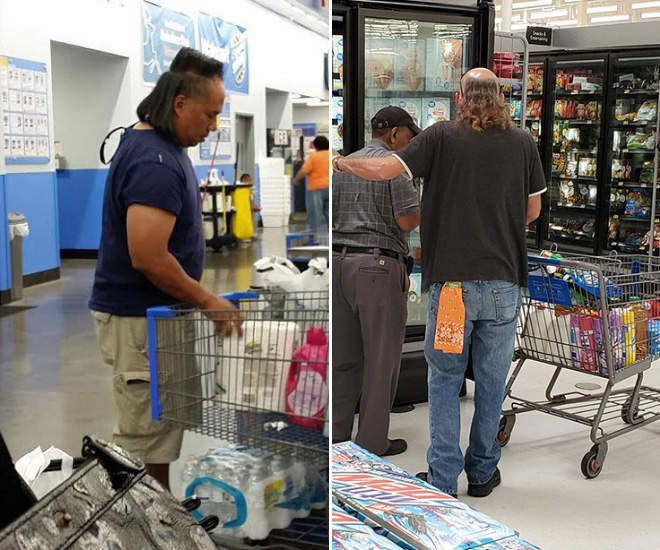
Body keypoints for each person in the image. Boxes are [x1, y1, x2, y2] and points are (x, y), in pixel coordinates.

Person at [332, 68, 546, 497]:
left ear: (458, 97)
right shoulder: (524, 142)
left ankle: (444, 480)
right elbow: (532, 212)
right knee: (490, 381)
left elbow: (383, 170)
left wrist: (339, 161)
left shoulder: (441, 136)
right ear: (502, 98)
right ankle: (483, 473)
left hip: (452, 289)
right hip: (504, 285)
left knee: (445, 380)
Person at [89, 48, 242, 490]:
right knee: (144, 441)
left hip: (154, 317)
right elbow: (149, 256)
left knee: (159, 429)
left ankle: (159, 518)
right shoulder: (152, 161)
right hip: (139, 321)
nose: (213, 126)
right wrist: (209, 300)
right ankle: (147, 526)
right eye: (209, 115)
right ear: (179, 103)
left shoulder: (161, 146)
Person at [332, 106, 421, 457]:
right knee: (381, 361)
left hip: (339, 264)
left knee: (344, 359)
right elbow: (408, 221)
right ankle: (370, 443)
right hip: (378, 268)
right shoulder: (394, 170)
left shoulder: (342, 167)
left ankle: (337, 437)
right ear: (395, 135)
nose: (410, 145)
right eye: (409, 137)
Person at [294, 135, 330, 231]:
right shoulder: (331, 156)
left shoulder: (313, 157)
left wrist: (296, 180)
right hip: (330, 187)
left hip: (316, 188)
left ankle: (313, 238)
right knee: (329, 214)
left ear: (315, 146)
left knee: (315, 214)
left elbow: (304, 171)